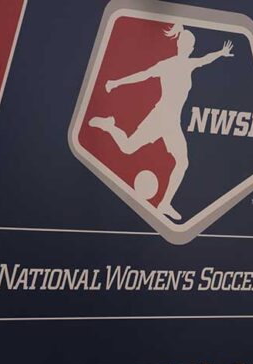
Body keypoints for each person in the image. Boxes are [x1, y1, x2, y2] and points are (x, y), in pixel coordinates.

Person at [89, 24, 234, 221]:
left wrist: (220, 52)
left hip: (172, 122)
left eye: (190, 46)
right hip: (160, 117)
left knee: (182, 162)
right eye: (187, 45)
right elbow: (143, 75)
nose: (189, 49)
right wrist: (116, 83)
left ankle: (164, 203)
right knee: (128, 148)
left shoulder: (189, 64)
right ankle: (109, 125)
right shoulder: (169, 65)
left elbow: (205, 60)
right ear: (183, 46)